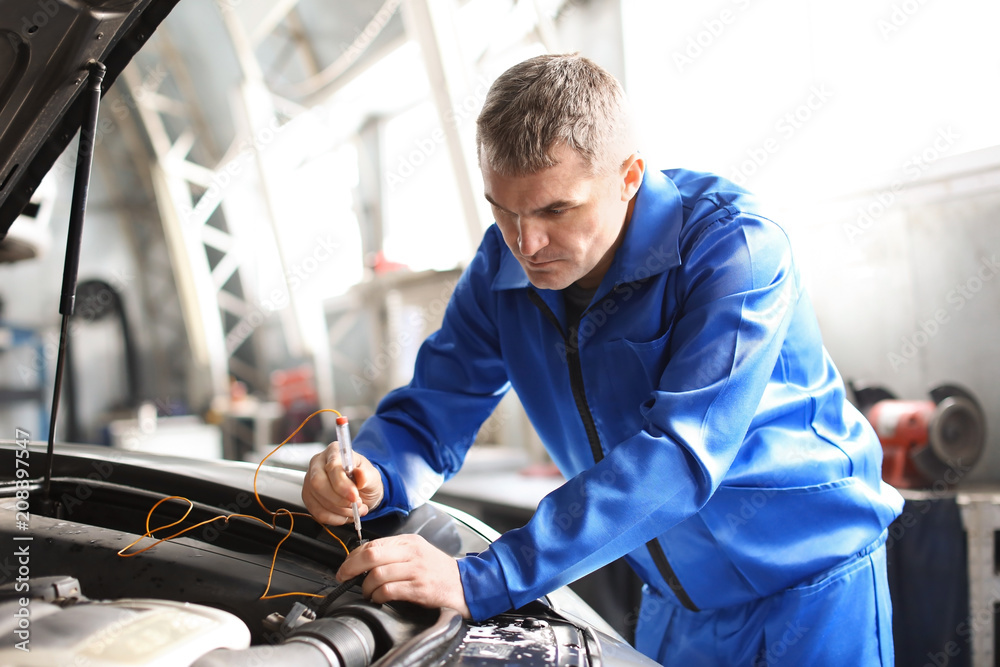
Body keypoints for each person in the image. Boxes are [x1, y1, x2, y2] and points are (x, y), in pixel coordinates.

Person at [302, 53, 904, 665]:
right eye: (503, 209)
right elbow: (433, 412)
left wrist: (481, 579)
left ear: (629, 177)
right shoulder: (499, 270)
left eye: (554, 210)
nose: (526, 245)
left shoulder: (735, 250)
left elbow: (679, 455)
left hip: (810, 591)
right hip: (676, 601)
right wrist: (373, 472)